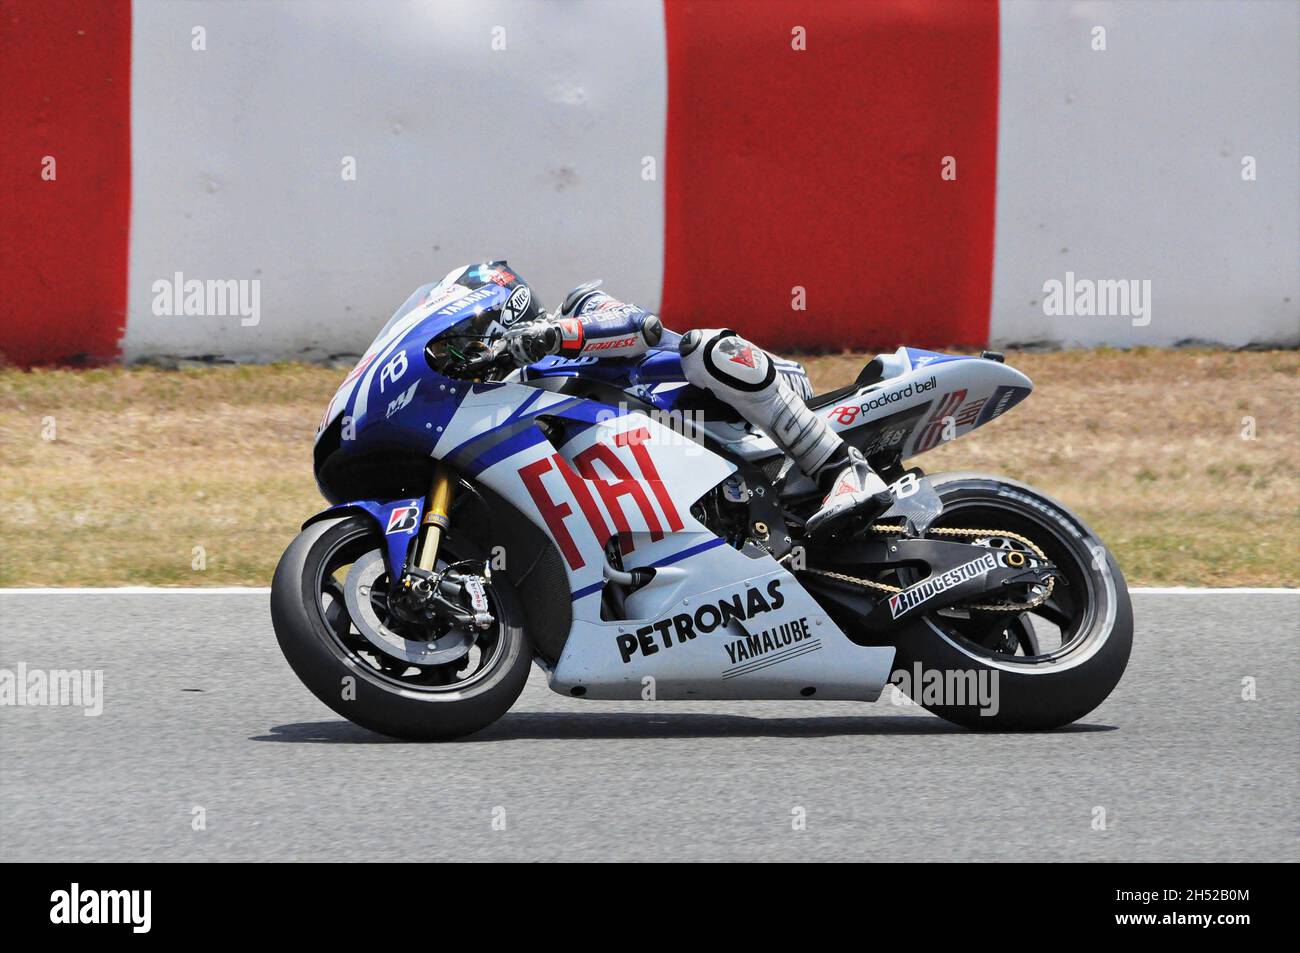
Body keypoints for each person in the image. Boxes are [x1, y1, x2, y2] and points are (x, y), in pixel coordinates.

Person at [501, 278, 893, 538]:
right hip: (684, 452)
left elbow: (642, 326)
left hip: (745, 395)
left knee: (703, 348)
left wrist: (553, 335)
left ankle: (844, 471)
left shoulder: (574, 309)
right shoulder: (517, 395)